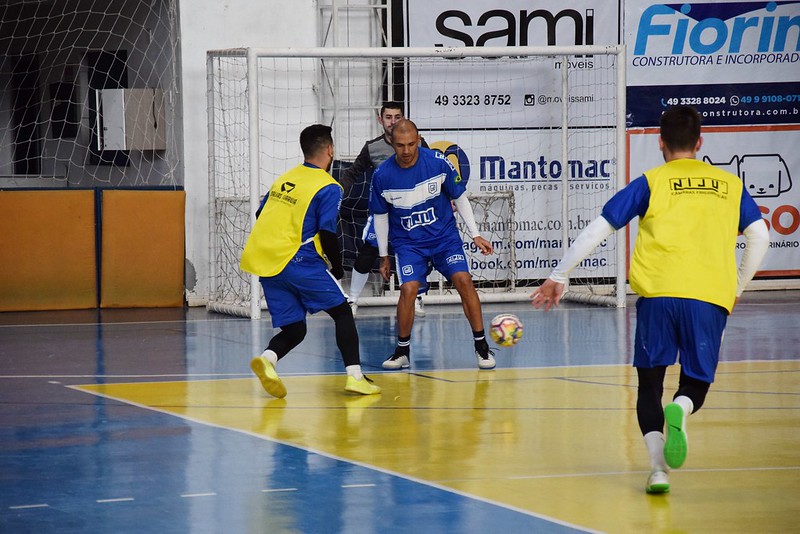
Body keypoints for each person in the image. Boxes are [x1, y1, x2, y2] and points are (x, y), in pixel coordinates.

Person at [530, 106, 769, 494]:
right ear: (700, 143)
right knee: (694, 384)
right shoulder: (730, 184)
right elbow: (760, 237)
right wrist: (736, 287)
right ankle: (684, 408)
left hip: (658, 296)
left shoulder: (650, 181)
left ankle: (658, 470)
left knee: (649, 387)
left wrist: (560, 274)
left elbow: (599, 228)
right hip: (708, 298)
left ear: (660, 142)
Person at [240, 124, 381, 398]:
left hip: (267, 262)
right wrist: (338, 267)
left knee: (295, 327)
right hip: (298, 259)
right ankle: (355, 376)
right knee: (342, 311)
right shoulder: (329, 186)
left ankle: (268, 359)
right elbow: (328, 233)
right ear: (330, 150)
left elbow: (261, 215)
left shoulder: (285, 178)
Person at [370, 118, 497, 371]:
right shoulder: (382, 175)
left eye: (410, 144)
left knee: (464, 280)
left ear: (418, 140)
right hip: (408, 244)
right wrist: (384, 256)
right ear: (391, 143)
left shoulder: (438, 163)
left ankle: (482, 347)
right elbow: (381, 217)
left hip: (444, 240)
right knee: (408, 289)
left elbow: (459, 197)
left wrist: (475, 234)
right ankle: (402, 351)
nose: (406, 151)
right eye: (399, 145)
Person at [338, 101, 428, 318]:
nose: (393, 121)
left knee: (414, 255)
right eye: (388, 117)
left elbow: (432, 170)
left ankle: (415, 298)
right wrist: (335, 190)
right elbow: (353, 172)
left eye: (397, 116)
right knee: (367, 253)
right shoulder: (372, 147)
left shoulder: (419, 142)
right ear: (380, 120)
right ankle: (352, 300)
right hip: (382, 212)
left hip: (411, 212)